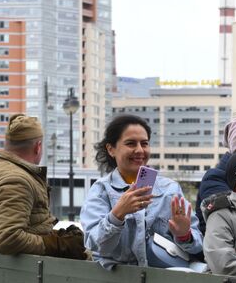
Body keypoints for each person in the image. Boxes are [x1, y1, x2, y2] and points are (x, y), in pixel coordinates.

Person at [81, 114, 203, 270]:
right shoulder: (101, 190)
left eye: (144, 144)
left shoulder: (169, 189)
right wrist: (117, 215)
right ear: (111, 149)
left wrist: (184, 235)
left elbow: (198, 246)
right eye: (131, 143)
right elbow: (95, 246)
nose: (139, 150)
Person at [0, 114, 87, 258]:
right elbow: (6, 239)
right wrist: (57, 245)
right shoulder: (17, 180)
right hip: (25, 272)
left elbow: (27, 226)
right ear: (38, 147)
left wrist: (55, 236)